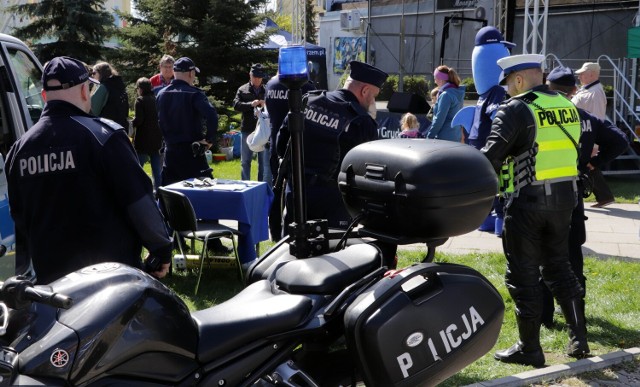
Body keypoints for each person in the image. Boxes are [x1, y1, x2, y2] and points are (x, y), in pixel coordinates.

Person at [5, 56, 172, 283]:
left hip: (52, 287)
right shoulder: (104, 136)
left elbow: (21, 220)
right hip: (109, 284)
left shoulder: (19, 151)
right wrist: (161, 249)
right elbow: (139, 201)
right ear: (85, 91)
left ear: (44, 97)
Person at [482, 54, 589, 367]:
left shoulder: (516, 107)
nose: (508, 91)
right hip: (565, 199)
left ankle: (529, 348)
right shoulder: (568, 105)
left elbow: (490, 155)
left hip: (528, 200)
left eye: (508, 84)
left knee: (523, 273)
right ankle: (578, 339)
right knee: (559, 265)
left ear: (517, 80)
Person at [277, 61, 397, 268]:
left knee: (290, 250)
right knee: (331, 260)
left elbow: (282, 143)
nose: (372, 101)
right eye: (374, 96)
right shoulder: (361, 121)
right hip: (332, 199)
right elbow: (369, 169)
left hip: (296, 189)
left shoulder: (309, 101)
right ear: (365, 90)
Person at [541, 66, 629, 328]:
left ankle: (546, 316)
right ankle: (577, 315)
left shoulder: (542, 116)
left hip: (543, 194)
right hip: (574, 193)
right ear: (573, 91)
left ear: (549, 89)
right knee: (572, 256)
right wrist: (593, 164)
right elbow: (621, 140)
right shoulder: (585, 117)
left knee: (543, 256)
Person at [156, 57, 230, 255]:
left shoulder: (161, 94)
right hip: (192, 152)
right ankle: (213, 243)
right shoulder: (193, 94)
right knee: (208, 194)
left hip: (170, 153)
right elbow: (212, 115)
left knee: (169, 199)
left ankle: (172, 240)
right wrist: (209, 139)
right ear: (190, 73)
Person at [264, 73, 315, 241]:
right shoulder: (305, 86)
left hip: (275, 144)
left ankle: (275, 232)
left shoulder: (271, 85)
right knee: (295, 191)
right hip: (296, 146)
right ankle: (293, 230)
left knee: (275, 190)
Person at [572, 62, 615, 208]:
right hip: (582, 133)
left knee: (587, 165)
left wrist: (595, 144)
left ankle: (604, 196)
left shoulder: (595, 92)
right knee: (587, 166)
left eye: (582, 73)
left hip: (587, 135)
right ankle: (604, 196)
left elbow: (597, 118)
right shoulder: (589, 89)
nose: (579, 76)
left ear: (591, 74)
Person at [234, 63, 267, 181]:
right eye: (255, 77)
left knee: (263, 163)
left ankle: (261, 186)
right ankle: (245, 185)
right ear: (250, 75)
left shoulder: (268, 90)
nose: (257, 79)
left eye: (260, 77)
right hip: (247, 129)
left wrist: (265, 104)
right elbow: (236, 105)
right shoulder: (242, 89)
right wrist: (250, 105)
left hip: (263, 130)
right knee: (245, 161)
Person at [132, 77, 163, 193]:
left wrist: (131, 123)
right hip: (156, 138)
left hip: (143, 139)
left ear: (140, 89)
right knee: (156, 169)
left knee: (138, 167)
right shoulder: (156, 99)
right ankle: (159, 191)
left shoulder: (140, 101)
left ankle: (137, 189)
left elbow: (139, 120)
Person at [425, 65, 465, 142]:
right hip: (455, 136)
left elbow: (439, 119)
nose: (435, 81)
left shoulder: (445, 95)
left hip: (444, 138)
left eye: (435, 78)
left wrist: (429, 137)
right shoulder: (457, 92)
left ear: (441, 79)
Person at [90, 61, 129, 130]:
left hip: (106, 128)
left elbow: (94, 111)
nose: (92, 75)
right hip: (121, 127)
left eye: (94, 73)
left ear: (101, 73)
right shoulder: (119, 85)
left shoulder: (103, 87)